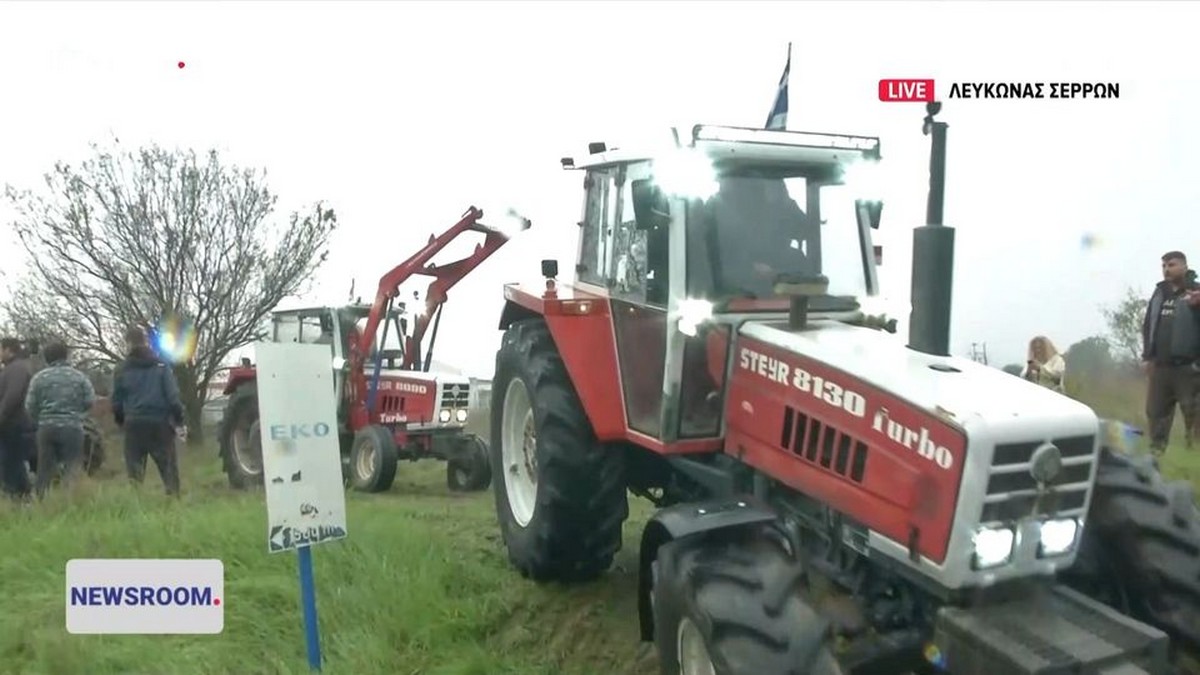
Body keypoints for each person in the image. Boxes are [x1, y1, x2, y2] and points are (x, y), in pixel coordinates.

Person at [111, 326, 184, 495]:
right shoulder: (161, 366)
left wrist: (122, 422)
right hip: (160, 424)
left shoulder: (121, 370)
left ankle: (138, 508)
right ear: (147, 342)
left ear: (127, 343)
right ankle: (174, 505)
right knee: (169, 471)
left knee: (135, 475)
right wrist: (179, 421)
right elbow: (173, 398)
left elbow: (116, 402)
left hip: (134, 423)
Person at [1140, 250, 1200, 453]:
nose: (1166, 269)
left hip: (1189, 367)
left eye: (1171, 265)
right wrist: (1147, 357)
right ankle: (1157, 452)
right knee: (1155, 413)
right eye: (1164, 266)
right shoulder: (1159, 293)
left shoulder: (1196, 290)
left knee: (1193, 411)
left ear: (1184, 266)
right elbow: (1149, 325)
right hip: (1161, 366)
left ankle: (1194, 452)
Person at [23, 340, 95, 497]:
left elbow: (29, 406)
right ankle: (71, 500)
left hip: (46, 428)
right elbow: (90, 400)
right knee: (72, 466)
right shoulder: (79, 377)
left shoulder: (39, 378)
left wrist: (41, 419)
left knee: (44, 468)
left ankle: (42, 501)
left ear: (47, 358)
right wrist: (78, 415)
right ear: (66, 356)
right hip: (72, 427)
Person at [0, 337, 34, 499]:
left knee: (9, 463)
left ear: (8, 350)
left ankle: (14, 497)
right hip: (10, 423)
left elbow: (12, 396)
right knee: (14, 464)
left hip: (13, 424)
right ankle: (23, 497)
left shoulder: (17, 369)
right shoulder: (11, 368)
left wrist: (1, 416)